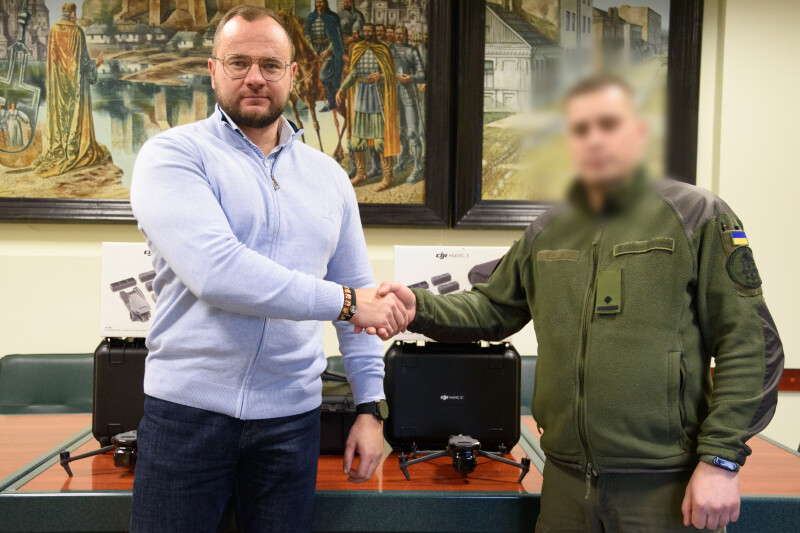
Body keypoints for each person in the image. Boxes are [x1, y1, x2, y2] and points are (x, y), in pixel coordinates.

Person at [368, 77, 784, 532]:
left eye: (609, 124)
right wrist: (418, 307)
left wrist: (720, 460)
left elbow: (751, 346)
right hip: (566, 486)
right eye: (580, 129)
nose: (594, 139)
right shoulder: (548, 228)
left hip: (664, 488)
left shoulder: (697, 215)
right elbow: (492, 308)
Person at [129, 7, 406, 533]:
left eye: (270, 64)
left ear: (293, 74)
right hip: (187, 418)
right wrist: (348, 302)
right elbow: (218, 273)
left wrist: (370, 408)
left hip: (291, 424)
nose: (255, 77)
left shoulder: (329, 178)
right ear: (213, 70)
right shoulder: (173, 155)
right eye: (239, 62)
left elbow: (360, 293)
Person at [32, 2, 108, 176]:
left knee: (60, 114)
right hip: (75, 84)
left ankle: (59, 148)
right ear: (72, 13)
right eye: (75, 12)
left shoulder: (54, 30)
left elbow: (52, 59)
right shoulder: (77, 31)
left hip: (58, 84)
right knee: (74, 114)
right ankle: (73, 149)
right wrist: (96, 65)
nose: (76, 16)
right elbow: (84, 61)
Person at [337, 22, 400, 192]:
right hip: (361, 96)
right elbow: (354, 73)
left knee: (380, 140)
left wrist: (381, 76)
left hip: (378, 98)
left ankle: (388, 176)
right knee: (357, 139)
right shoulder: (357, 49)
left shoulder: (383, 49)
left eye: (369, 31)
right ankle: (361, 174)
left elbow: (391, 74)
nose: (367, 33)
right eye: (364, 31)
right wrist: (341, 90)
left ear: (374, 33)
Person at [391, 25, 425, 183]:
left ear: (406, 36)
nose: (399, 36)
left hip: (409, 94)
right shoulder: (389, 49)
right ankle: (402, 161)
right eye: (397, 34)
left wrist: (411, 78)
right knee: (400, 132)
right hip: (393, 94)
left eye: (401, 34)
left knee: (412, 132)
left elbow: (422, 73)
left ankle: (418, 167)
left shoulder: (412, 51)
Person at [303, 0, 344, 112]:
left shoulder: (332, 17)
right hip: (314, 49)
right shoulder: (311, 17)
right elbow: (307, 35)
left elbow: (336, 37)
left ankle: (331, 102)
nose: (319, 4)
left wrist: (328, 51)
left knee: (324, 76)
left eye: (321, 2)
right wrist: (313, 50)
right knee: (309, 74)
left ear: (326, 3)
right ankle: (311, 100)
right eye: (317, 2)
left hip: (330, 50)